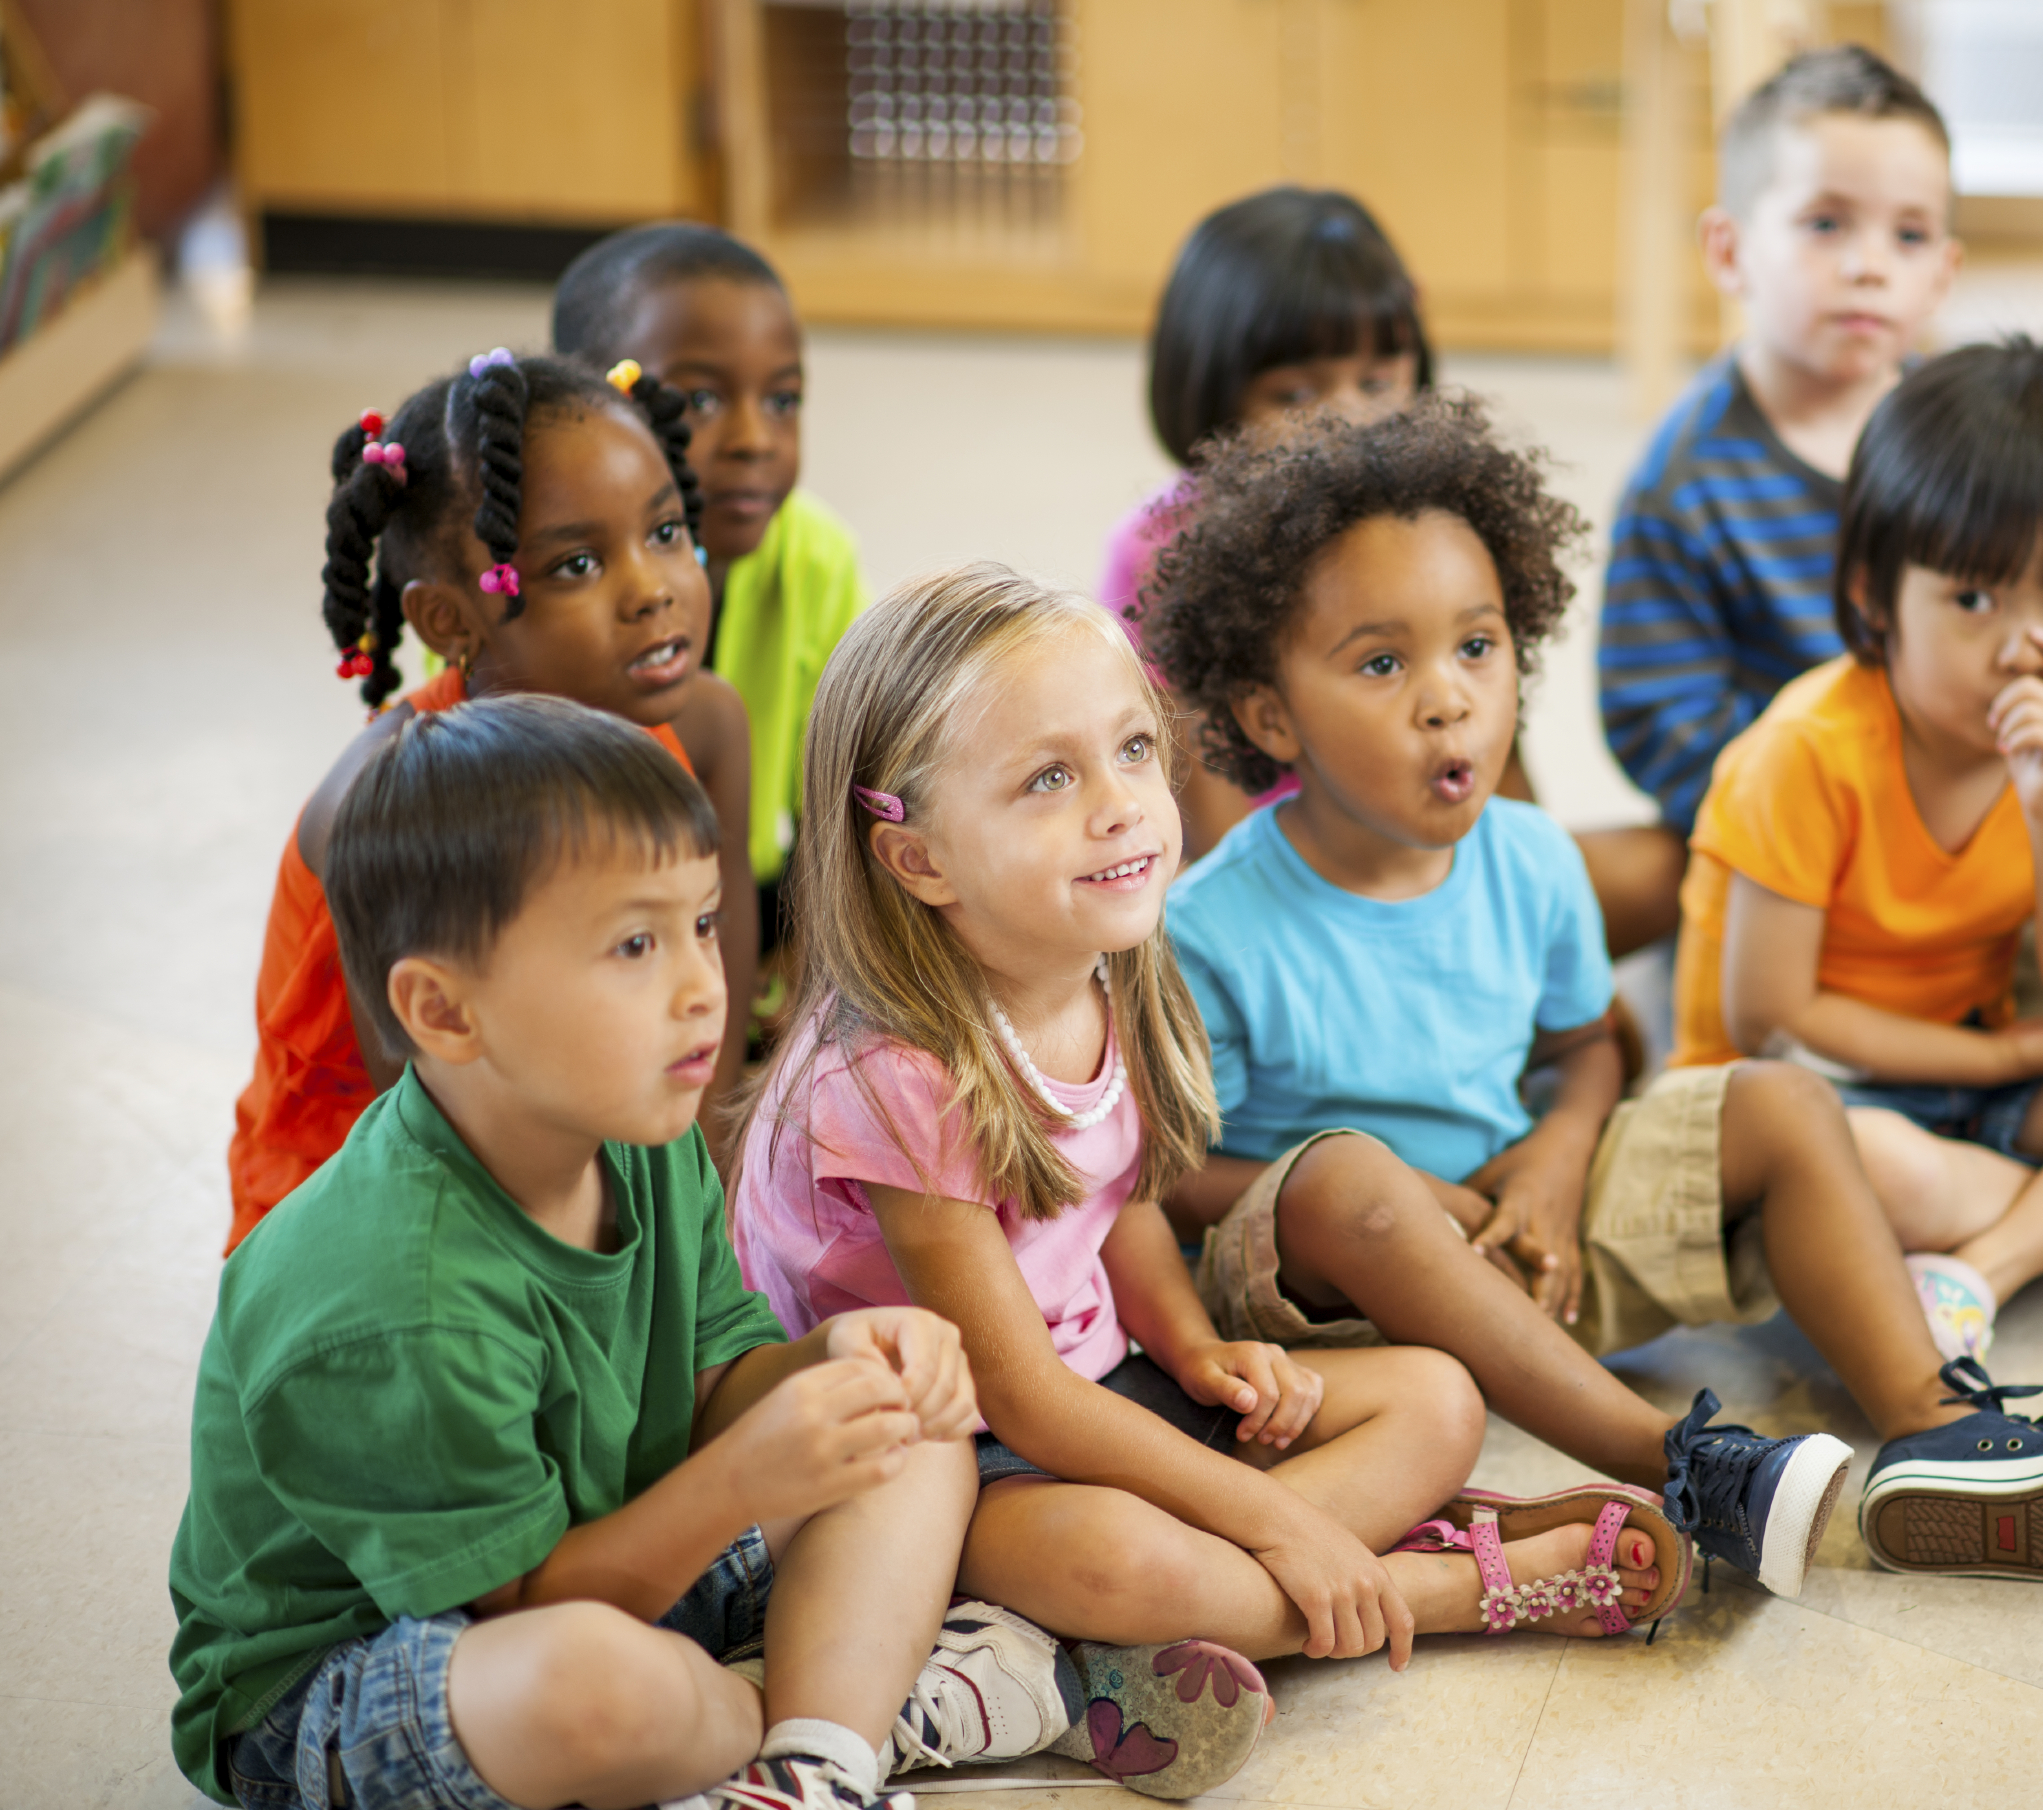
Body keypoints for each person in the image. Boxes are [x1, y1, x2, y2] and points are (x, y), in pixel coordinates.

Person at [1143, 395, 2043, 1594]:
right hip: (1325, 1308)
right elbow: (1167, 1183)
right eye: (1383, 661)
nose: (1449, 696)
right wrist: (1408, 1201)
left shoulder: (1531, 858)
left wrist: (1557, 1160)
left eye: (1478, 645)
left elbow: (1589, 1047)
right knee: (1352, 1179)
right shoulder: (1208, 929)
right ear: (1266, 715)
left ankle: (1936, 1428)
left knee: (1773, 1103)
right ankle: (1687, 1461)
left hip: (1524, 1242)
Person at [730, 565, 1674, 1747]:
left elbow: (1113, 1204)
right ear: (919, 861)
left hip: (1096, 1386)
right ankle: (1444, 1588)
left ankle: (1146, 1631)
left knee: (1437, 1397)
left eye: (1133, 749)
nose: (1122, 803)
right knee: (1113, 1555)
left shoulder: (1102, 955)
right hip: (942, 1457)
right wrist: (1277, 1521)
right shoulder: (894, 1074)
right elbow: (1015, 1393)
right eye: (1048, 778)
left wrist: (1194, 1344)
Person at [172, 696, 1085, 1810]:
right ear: (445, 1012)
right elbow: (524, 1609)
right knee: (601, 1690)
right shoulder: (396, 1294)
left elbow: (712, 1388)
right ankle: (848, 1703)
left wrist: (839, 1352)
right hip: (368, 1677)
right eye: (635, 944)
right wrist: (744, 1479)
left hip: (617, 1555)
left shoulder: (639, 1130)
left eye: (702, 923)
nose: (705, 986)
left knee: (911, 1435)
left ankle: (812, 1768)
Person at [1676, 338, 2043, 1351]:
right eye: (1973, 599)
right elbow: (1770, 1018)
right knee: (1888, 1168)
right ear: (1874, 594)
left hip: (1979, 1090)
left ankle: (2024, 1226)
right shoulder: (1805, 752)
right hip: (1797, 1104)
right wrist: (1996, 1052)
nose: (2026, 646)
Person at [224, 350, 759, 1251]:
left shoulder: (701, 724)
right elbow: (425, 1097)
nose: (653, 589)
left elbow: (727, 908)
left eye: (665, 533)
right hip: (379, 1199)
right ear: (449, 621)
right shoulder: (389, 800)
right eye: (579, 562)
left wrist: (706, 1146)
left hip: (587, 1105)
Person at [1596, 45, 1961, 956]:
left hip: (1954, 800)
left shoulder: (1962, 445)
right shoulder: (1684, 484)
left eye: (1908, 236)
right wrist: (1826, 807)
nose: (1870, 265)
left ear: (1944, 272)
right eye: (1826, 224)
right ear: (1731, 250)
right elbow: (1662, 722)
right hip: (1777, 837)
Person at [553, 222, 872, 961]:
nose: (754, 438)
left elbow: (844, 809)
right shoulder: (510, 571)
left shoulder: (817, 557)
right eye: (699, 399)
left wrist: (810, 972)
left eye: (783, 401)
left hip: (750, 908)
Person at [1101, 186, 1435, 863]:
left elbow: (1493, 753)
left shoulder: (1428, 524)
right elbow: (1209, 806)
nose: (1347, 422)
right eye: (1297, 394)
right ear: (1214, 390)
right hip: (1253, 873)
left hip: (1407, 841)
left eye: (1377, 382)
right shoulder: (1162, 550)